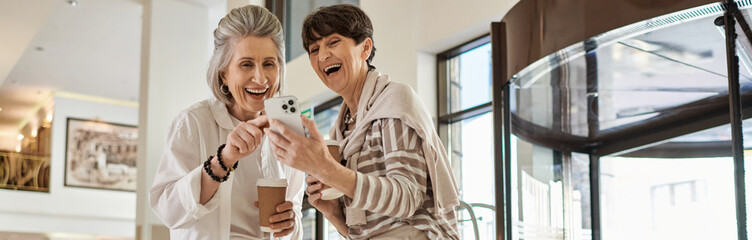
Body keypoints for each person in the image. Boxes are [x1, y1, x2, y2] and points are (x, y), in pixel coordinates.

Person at [265, 4, 460, 240]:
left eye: (333, 42)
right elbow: (361, 231)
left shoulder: (394, 101)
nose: (323, 55)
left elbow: (407, 199)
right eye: (314, 49)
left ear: (365, 48)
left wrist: (328, 170)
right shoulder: (340, 132)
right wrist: (334, 212)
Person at [149, 5, 304, 240]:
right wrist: (224, 159)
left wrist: (290, 224)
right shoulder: (193, 123)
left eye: (269, 64)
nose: (260, 78)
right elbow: (167, 210)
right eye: (246, 64)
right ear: (223, 73)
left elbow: (295, 220)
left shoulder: (288, 133)